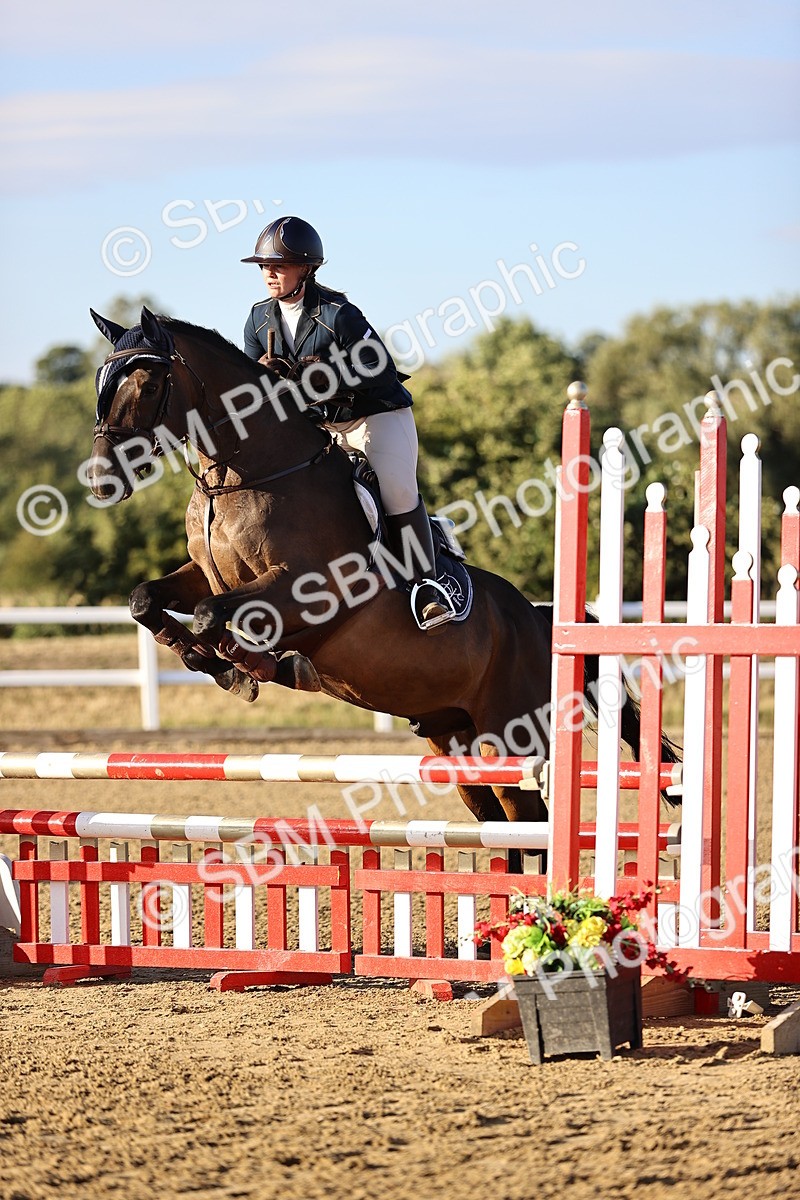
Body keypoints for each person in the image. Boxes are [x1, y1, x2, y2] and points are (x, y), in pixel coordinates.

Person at [241, 215, 454, 633]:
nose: (269, 273)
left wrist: (329, 375)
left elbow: (380, 368)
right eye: (264, 266)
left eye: (278, 265)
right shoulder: (257, 319)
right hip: (320, 427)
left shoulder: (339, 314)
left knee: (395, 492)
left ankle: (426, 584)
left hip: (373, 417)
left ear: (306, 268)